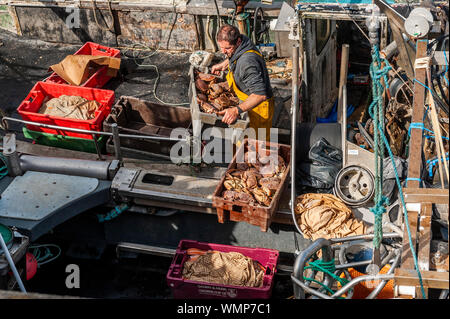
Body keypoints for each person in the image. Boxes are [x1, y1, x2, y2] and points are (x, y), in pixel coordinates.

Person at [211, 24, 274, 142]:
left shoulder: (247, 63)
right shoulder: (244, 43)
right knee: (242, 141)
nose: (224, 52)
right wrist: (225, 63)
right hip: (245, 101)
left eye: (228, 48)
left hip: (258, 107)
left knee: (257, 145)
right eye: (221, 47)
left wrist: (236, 110)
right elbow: (236, 55)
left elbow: (260, 95)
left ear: (238, 41)